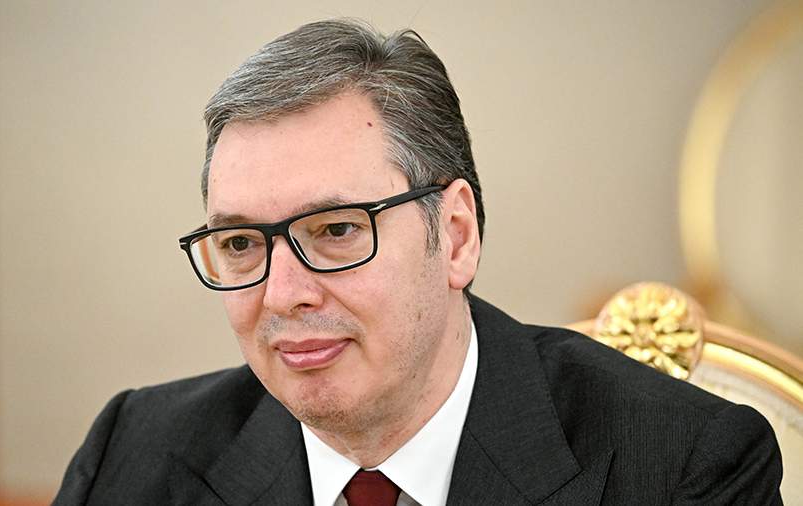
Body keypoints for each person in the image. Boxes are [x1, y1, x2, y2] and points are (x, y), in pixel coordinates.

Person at [53, 19, 782, 505]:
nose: (281, 294)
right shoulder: (132, 455)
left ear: (456, 236)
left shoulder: (684, 464)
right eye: (242, 243)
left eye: (336, 230)